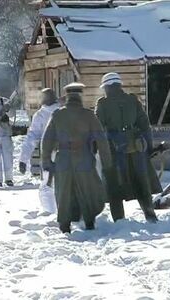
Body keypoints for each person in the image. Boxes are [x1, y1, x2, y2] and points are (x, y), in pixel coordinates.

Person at [41, 82, 112, 233]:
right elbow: (101, 140)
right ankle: (89, 221)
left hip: (63, 159)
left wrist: (46, 160)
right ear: (80, 96)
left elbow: (47, 139)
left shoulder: (57, 114)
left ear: (66, 97)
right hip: (84, 157)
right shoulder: (88, 115)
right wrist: (107, 162)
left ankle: (64, 225)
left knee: (64, 192)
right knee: (87, 189)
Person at [95, 72, 162, 223]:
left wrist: (95, 149)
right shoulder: (132, 100)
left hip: (113, 150)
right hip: (137, 149)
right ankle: (150, 216)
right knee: (141, 182)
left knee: (114, 185)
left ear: (106, 87)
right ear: (119, 85)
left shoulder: (103, 104)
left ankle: (119, 221)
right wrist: (149, 148)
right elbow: (145, 125)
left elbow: (97, 129)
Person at [19, 88, 60, 174]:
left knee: (48, 183)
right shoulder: (63, 111)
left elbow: (32, 138)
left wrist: (23, 159)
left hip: (47, 153)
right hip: (66, 153)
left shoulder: (39, 115)